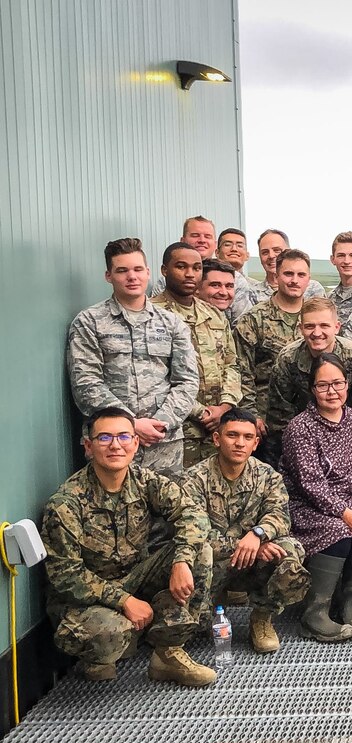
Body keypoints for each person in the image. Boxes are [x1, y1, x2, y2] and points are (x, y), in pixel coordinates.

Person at [41, 407, 215, 686]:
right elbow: (66, 576)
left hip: (135, 576)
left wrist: (181, 560)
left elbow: (192, 514)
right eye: (104, 438)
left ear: (135, 443)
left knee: (200, 552)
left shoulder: (145, 481)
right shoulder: (66, 503)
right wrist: (124, 601)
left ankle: (167, 653)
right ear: (88, 446)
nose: (115, 445)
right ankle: (97, 657)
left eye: (124, 436)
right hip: (86, 599)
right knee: (108, 636)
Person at [67, 237, 199, 478]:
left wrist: (161, 422)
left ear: (148, 272)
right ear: (108, 275)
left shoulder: (171, 323)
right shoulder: (89, 322)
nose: (132, 276)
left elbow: (187, 381)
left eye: (138, 269)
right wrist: (131, 425)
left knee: (167, 512)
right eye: (122, 270)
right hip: (111, 444)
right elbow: (86, 383)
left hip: (163, 443)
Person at [183, 409, 310, 653]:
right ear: (217, 439)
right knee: (196, 627)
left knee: (291, 550)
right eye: (232, 435)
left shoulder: (267, 476)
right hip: (213, 564)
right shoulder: (194, 479)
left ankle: (262, 617)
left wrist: (258, 534)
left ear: (255, 443)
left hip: (253, 561)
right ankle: (212, 604)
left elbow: (280, 516)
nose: (239, 443)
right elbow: (195, 534)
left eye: (247, 437)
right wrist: (246, 545)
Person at [281, 353, 352, 642]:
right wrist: (344, 512)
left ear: (347, 385)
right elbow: (310, 483)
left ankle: (347, 603)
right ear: (313, 389)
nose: (332, 391)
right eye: (323, 385)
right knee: (339, 528)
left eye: (337, 383)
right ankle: (315, 612)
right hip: (308, 503)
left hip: (350, 497)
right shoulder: (301, 427)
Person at [151, 242, 242, 467]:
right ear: (164, 270)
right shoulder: (153, 314)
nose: (190, 273)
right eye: (181, 267)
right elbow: (154, 376)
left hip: (217, 427)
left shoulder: (213, 314)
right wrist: (201, 412)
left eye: (197, 267)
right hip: (178, 428)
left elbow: (232, 364)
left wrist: (225, 406)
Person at [267, 297, 352, 462]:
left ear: (337, 327)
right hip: (302, 440)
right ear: (300, 329)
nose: (317, 333)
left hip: (349, 439)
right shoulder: (288, 359)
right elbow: (279, 417)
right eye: (310, 326)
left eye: (324, 325)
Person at [233, 248, 312, 446]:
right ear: (276, 276)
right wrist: (251, 414)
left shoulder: (317, 317)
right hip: (268, 421)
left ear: (308, 278)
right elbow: (242, 370)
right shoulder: (254, 319)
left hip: (312, 417)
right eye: (288, 274)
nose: (294, 280)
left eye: (301, 274)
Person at [257, 228, 327, 298]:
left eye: (277, 250)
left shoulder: (313, 289)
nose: (271, 256)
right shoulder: (253, 293)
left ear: (289, 251)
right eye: (265, 252)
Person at [216, 228, 266, 322]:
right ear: (217, 253)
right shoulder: (208, 286)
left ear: (247, 255)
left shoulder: (258, 289)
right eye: (227, 245)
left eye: (240, 245)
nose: (234, 249)